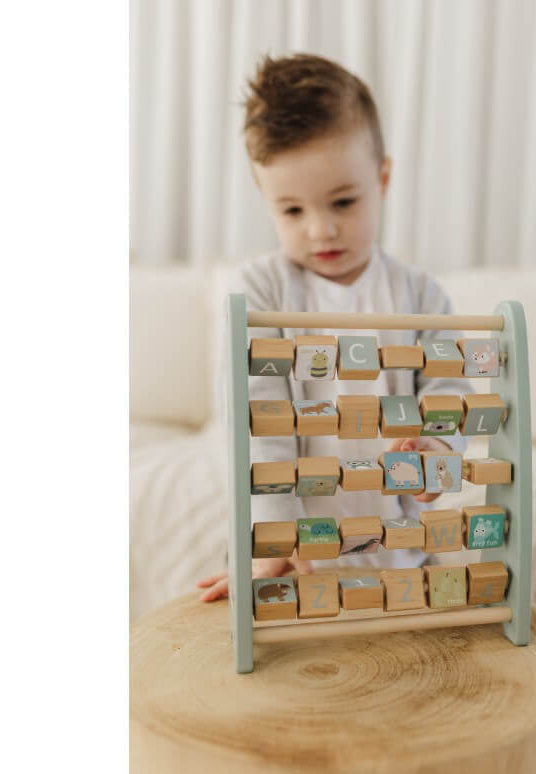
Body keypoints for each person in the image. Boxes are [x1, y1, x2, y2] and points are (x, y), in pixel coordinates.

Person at [199, 53, 473, 602]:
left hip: (397, 551)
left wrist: (436, 456)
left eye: (343, 202)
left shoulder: (420, 296)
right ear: (265, 199)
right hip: (296, 555)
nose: (321, 228)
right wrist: (273, 539)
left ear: (383, 179)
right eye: (292, 211)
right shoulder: (262, 292)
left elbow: (449, 394)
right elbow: (258, 426)